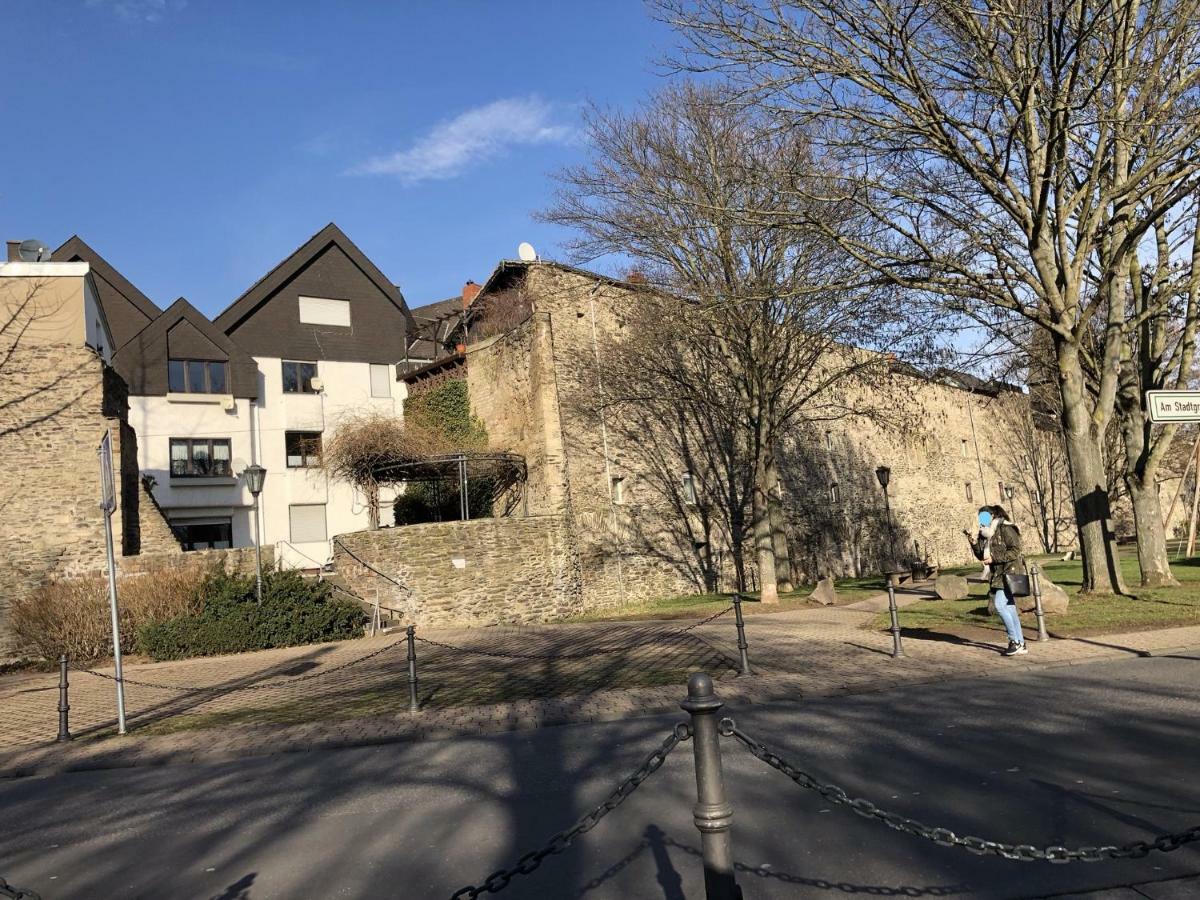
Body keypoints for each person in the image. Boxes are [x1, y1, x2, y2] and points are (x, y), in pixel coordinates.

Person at [965, 505, 1027, 656]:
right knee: (1010, 608)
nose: (982, 520)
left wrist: (994, 558)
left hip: (1009, 571)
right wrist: (973, 542)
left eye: (984, 516)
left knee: (999, 605)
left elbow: (1016, 550)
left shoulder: (1005, 528)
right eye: (980, 517)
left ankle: (1014, 641)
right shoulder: (984, 534)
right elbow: (981, 556)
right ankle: (1021, 643)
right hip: (997, 574)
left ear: (992, 515)